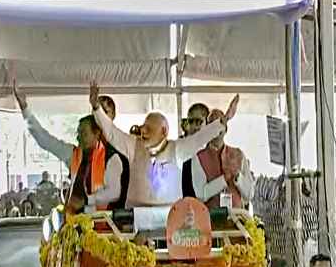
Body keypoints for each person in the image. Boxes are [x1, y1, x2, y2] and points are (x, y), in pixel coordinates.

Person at [90, 80, 238, 207]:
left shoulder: (177, 149)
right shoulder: (133, 145)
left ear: (164, 131)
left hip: (170, 219)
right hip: (135, 217)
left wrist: (223, 121)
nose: (144, 132)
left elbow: (200, 138)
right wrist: (96, 108)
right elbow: (111, 132)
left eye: (149, 129)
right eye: (143, 128)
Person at [14, 83, 129, 212]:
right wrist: (25, 109)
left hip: (103, 227)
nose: (78, 138)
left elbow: (114, 192)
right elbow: (45, 140)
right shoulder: (74, 154)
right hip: (74, 223)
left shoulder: (114, 154)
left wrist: (87, 200)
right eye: (78, 133)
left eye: (83, 133)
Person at [186, 108, 255, 209]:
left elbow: (249, 194)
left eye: (220, 122)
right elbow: (201, 195)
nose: (216, 128)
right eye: (212, 124)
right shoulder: (198, 158)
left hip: (239, 220)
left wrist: (237, 176)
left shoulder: (238, 154)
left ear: (226, 129)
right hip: (211, 221)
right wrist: (224, 179)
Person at [180, 103, 210, 198]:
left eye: (198, 121)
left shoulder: (212, 151)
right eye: (190, 121)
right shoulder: (180, 147)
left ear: (207, 123)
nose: (194, 126)